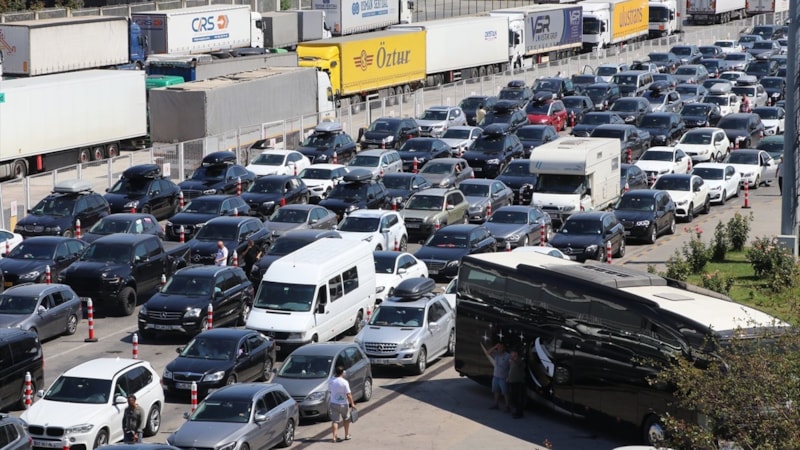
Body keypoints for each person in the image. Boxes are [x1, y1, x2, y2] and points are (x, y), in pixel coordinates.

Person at [328, 365, 356, 443]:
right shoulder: (344, 382)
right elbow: (349, 395)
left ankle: (334, 437)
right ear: (342, 372)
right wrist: (352, 404)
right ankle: (346, 435)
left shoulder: (331, 381)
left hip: (333, 403)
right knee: (346, 419)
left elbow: (329, 391)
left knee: (335, 421)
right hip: (343, 404)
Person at [488, 341, 511, 412]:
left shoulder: (507, 356)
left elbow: (511, 366)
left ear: (503, 347)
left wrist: (509, 376)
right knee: (496, 391)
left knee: (505, 392)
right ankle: (496, 404)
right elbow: (488, 353)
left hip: (503, 377)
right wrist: (495, 347)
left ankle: (507, 406)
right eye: (498, 347)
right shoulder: (496, 354)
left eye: (500, 347)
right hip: (496, 376)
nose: (499, 348)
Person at [507, 349, 526, 418]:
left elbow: (519, 365)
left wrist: (513, 360)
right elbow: (511, 370)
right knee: (513, 398)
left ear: (516, 353)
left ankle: (519, 413)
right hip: (512, 381)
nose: (511, 354)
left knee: (518, 398)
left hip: (518, 382)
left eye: (512, 352)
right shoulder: (511, 360)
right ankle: (515, 411)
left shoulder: (520, 360)